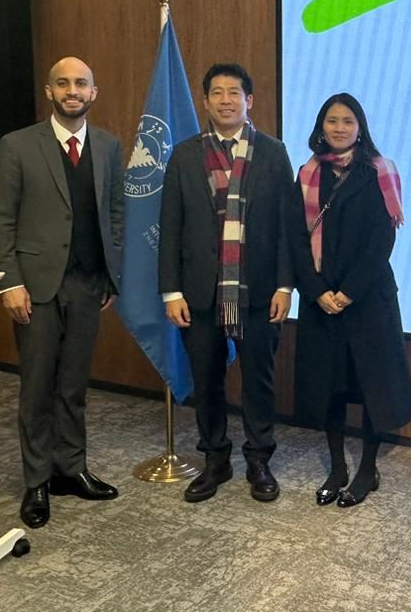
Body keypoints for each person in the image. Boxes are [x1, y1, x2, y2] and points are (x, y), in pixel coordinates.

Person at [0, 56, 124, 529]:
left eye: (81, 83)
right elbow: (1, 219)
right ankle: (37, 481)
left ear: (93, 93)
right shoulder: (17, 145)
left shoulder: (108, 145)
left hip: (88, 284)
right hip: (35, 286)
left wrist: (110, 275)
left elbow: (115, 213)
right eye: (63, 83)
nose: (72, 91)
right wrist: (9, 281)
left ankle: (71, 468)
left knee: (73, 385)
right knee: (38, 386)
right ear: (49, 91)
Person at [159, 62, 295, 503]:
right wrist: (171, 291)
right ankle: (215, 459)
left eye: (234, 92)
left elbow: (286, 226)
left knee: (259, 380)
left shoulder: (273, 152)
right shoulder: (185, 155)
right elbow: (171, 227)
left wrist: (285, 286)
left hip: (259, 291)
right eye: (216, 92)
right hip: (200, 291)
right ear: (205, 101)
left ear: (248, 100)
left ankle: (259, 459)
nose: (225, 100)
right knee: (207, 381)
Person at [291, 92, 411, 508]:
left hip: (367, 299)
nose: (339, 128)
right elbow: (295, 237)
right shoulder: (308, 173)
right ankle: (337, 468)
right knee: (330, 387)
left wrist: (347, 293)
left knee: (371, 387)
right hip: (321, 301)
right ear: (321, 127)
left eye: (347, 121)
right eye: (332, 120)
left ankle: (366, 469)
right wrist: (317, 291)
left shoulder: (379, 171)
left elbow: (382, 240)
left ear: (360, 128)